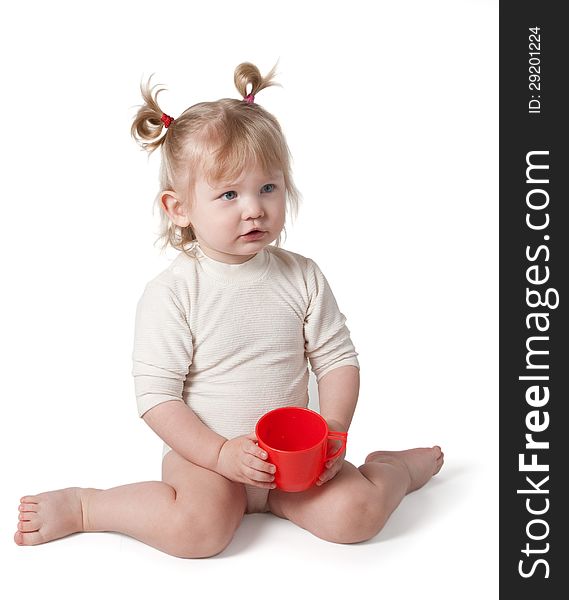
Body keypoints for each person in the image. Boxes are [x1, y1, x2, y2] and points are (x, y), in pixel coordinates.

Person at [14, 61, 444, 558]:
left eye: (268, 187)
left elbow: (336, 360)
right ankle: (89, 507)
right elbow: (157, 398)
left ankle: (393, 470)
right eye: (228, 194)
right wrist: (218, 453)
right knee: (197, 532)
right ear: (179, 208)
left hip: (293, 461)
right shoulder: (175, 292)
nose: (254, 208)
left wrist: (333, 432)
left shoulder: (301, 276)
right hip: (205, 461)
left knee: (357, 517)